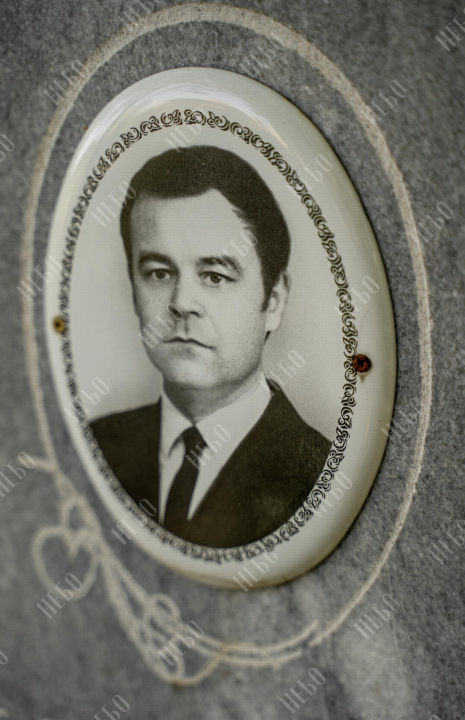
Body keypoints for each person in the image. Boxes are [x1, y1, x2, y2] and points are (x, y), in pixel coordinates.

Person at [91, 145, 331, 548]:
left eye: (215, 276)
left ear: (273, 300)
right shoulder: (95, 446)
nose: (181, 302)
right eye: (159, 273)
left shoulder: (323, 477)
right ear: (133, 288)